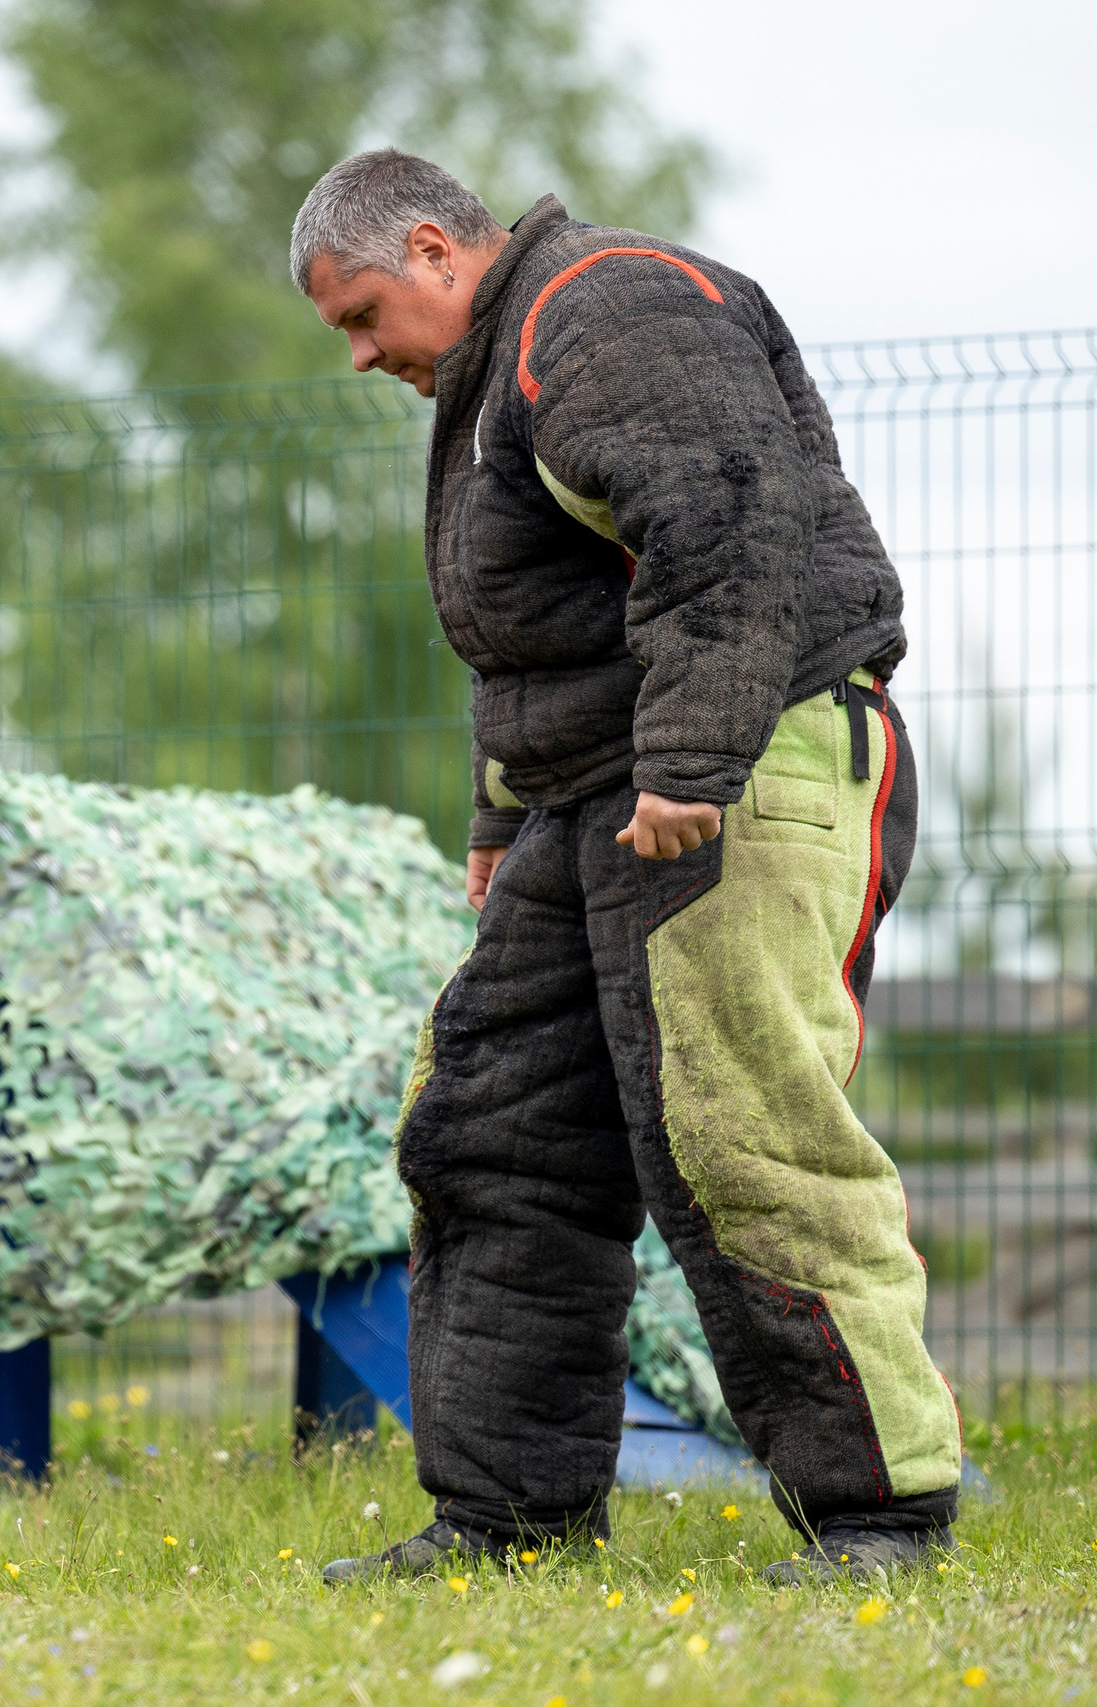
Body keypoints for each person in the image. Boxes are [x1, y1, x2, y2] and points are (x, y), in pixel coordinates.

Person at [290, 150, 957, 1584]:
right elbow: (531, 628)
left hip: (745, 764)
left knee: (741, 1133)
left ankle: (877, 1513)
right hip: (598, 794)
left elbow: (723, 523)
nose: (358, 357)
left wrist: (693, 765)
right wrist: (495, 821)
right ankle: (507, 1516)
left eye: (359, 317)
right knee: (493, 1128)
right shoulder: (500, 367)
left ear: (431, 248)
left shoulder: (607, 308)